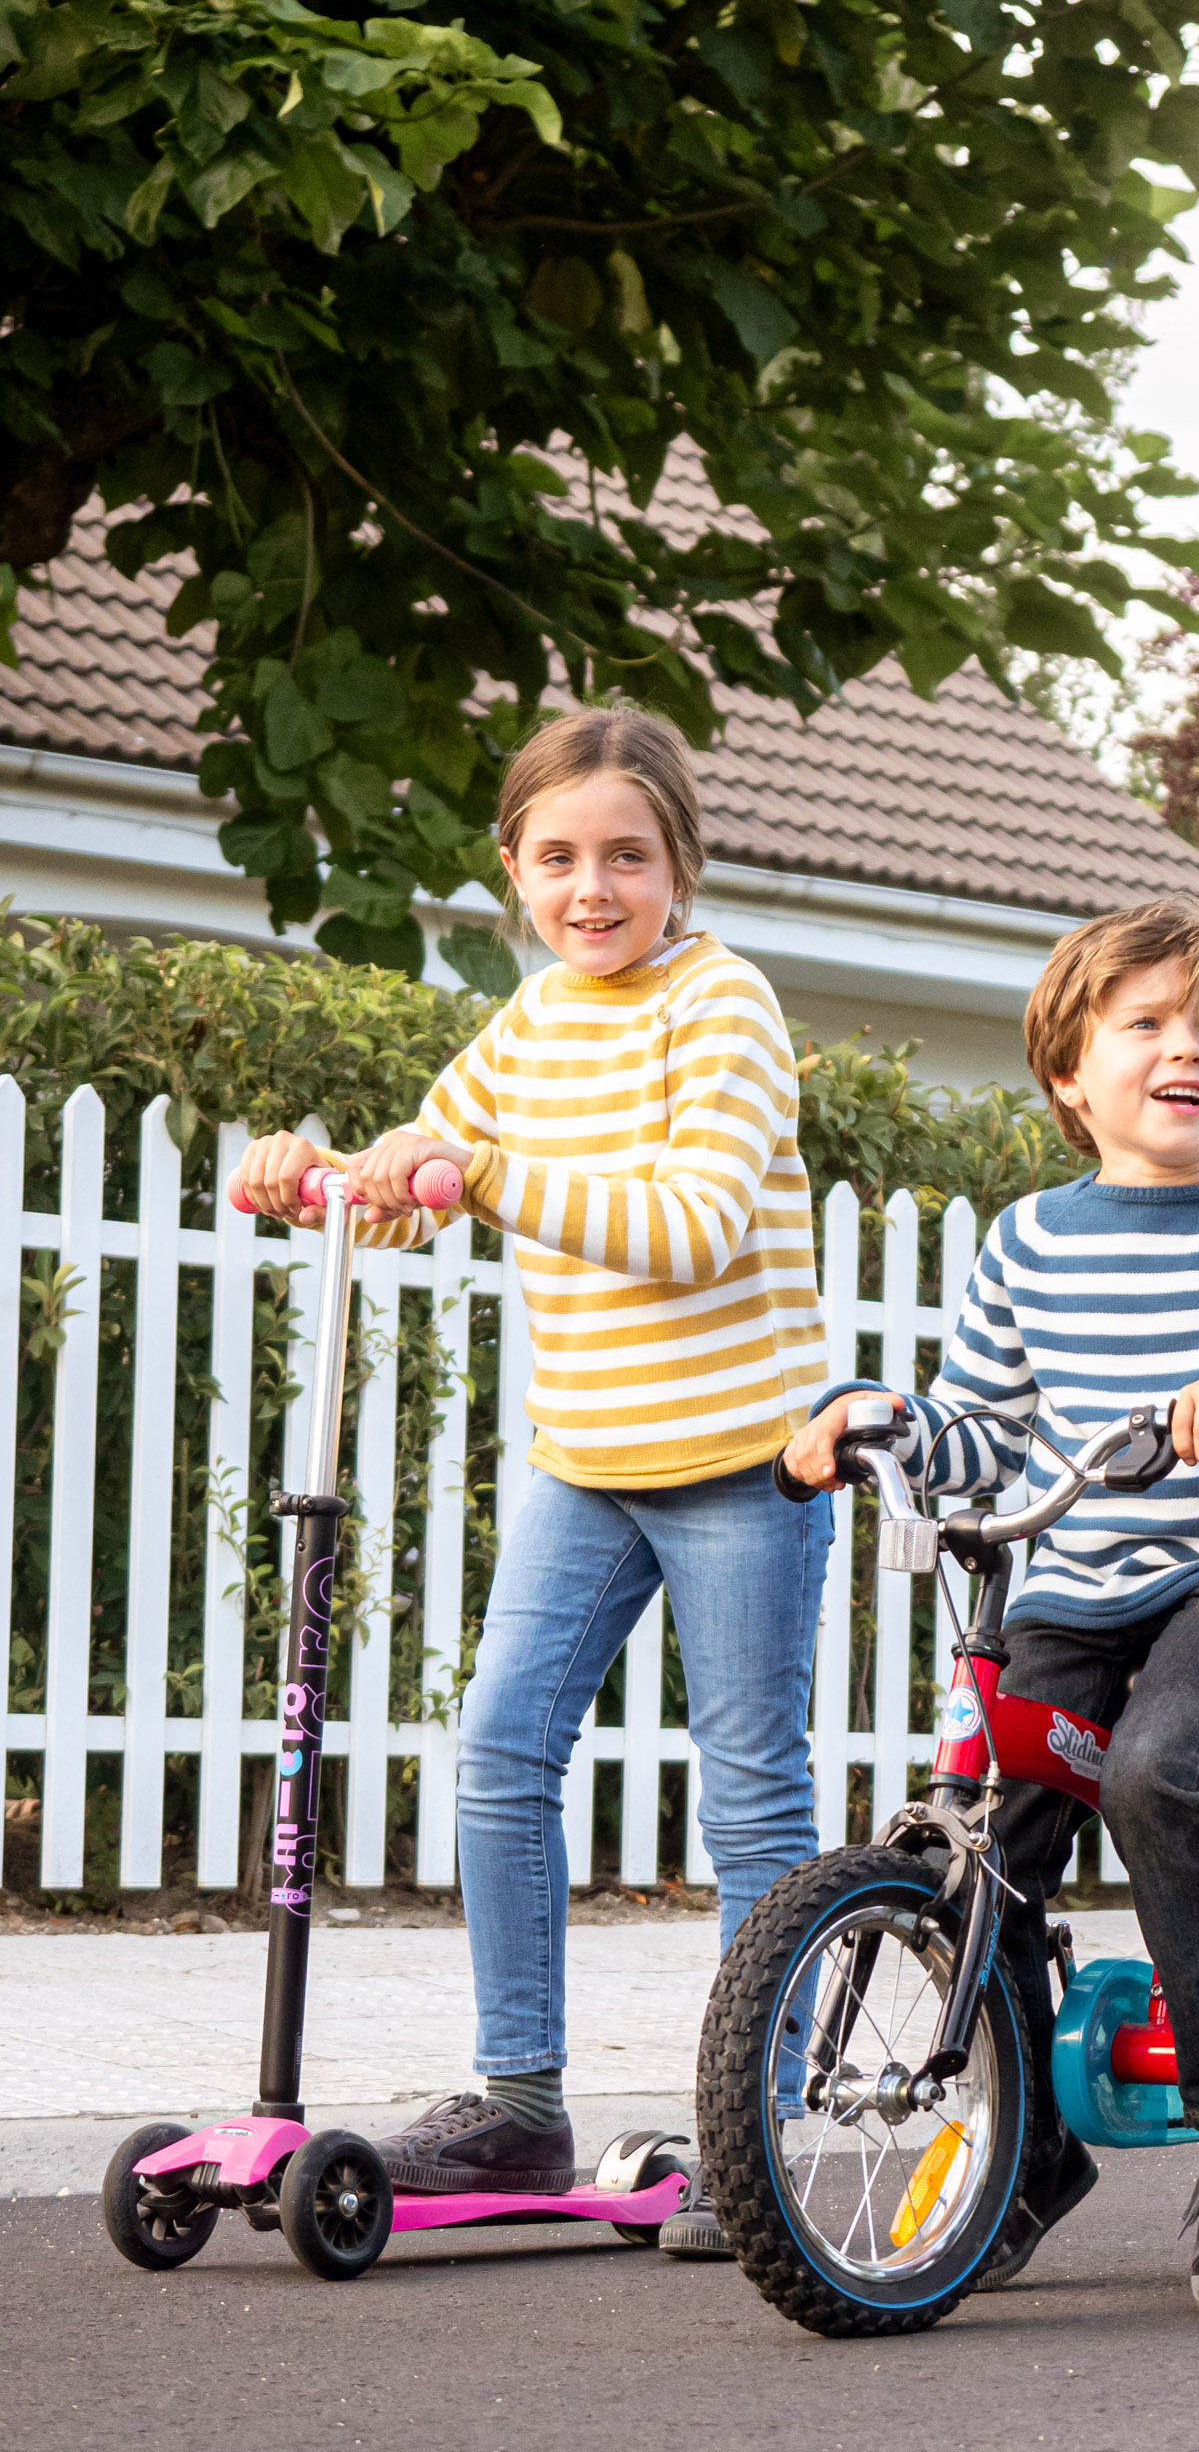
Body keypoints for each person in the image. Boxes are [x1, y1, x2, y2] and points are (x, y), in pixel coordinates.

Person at [229, 708, 830, 2249]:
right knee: (500, 1750)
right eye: (558, 856)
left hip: (741, 1451)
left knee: (750, 1783)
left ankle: (758, 2129)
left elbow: (692, 1221)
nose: (593, 886)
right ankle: (517, 2096)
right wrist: (321, 1175)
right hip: (587, 1452)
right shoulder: (530, 1017)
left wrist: (478, 1174)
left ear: (682, 867)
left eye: (628, 854)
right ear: (513, 868)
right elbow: (425, 1168)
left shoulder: (722, 1005)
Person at [782, 896, 1199, 2318]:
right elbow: (981, 1429)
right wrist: (873, 1419)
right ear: (1071, 1072)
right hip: (1075, 1573)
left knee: (1152, 1768)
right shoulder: (1029, 1239)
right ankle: (1030, 2152)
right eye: (1143, 1023)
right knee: (990, 1832)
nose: (1182, 1047)